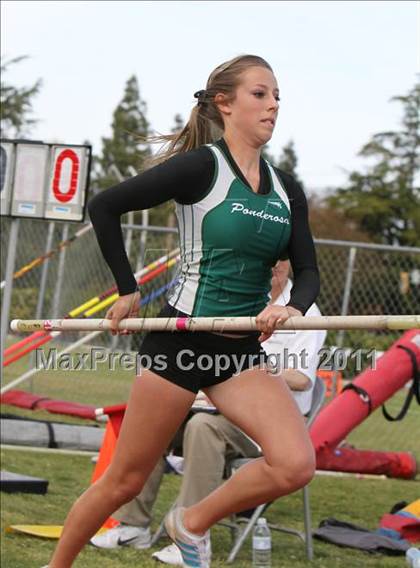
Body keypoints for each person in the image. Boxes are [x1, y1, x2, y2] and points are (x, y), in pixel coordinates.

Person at [45, 54, 320, 568]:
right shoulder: (202, 167)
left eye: (277, 96)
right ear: (225, 103)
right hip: (182, 342)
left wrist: (294, 309)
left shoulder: (288, 190)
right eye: (260, 94)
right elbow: (104, 205)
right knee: (124, 480)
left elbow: (307, 269)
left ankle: (189, 522)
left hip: (240, 352)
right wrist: (126, 288)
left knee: (294, 464)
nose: (273, 105)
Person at [90, 261, 326, 565]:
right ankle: (133, 525)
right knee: (153, 427)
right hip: (214, 401)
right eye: (260, 258)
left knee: (203, 427)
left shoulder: (306, 313)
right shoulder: (238, 300)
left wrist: (248, 372)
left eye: (276, 260)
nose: (267, 267)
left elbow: (303, 379)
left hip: (264, 422)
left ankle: (189, 533)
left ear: (288, 261)